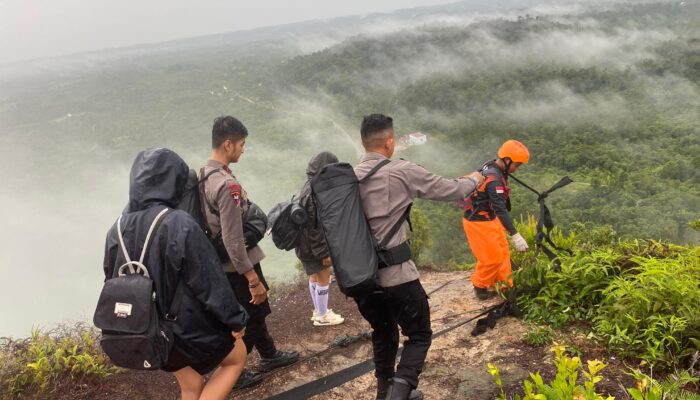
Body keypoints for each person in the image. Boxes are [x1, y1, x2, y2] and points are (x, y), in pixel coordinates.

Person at [353, 114, 484, 400]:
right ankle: (397, 394)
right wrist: (475, 178)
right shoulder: (401, 170)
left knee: (383, 331)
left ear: (363, 143)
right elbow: (451, 190)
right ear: (389, 142)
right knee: (420, 334)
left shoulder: (349, 178)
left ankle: (384, 390)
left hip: (361, 279)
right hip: (397, 276)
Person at [103, 148, 249, 400]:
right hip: (185, 327)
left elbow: (110, 279)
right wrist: (235, 320)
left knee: (190, 385)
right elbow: (208, 281)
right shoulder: (178, 222)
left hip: (147, 327)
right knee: (236, 358)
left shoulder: (116, 228)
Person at [200, 116, 299, 389]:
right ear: (228, 144)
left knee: (255, 313)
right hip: (237, 266)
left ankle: (269, 354)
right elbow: (234, 240)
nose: (244, 150)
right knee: (249, 318)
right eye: (242, 144)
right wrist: (252, 278)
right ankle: (233, 369)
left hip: (219, 264)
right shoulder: (226, 185)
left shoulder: (202, 176)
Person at [462, 139, 530, 300]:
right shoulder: (494, 180)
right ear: (507, 160)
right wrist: (515, 235)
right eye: (517, 165)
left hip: (489, 218)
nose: (517, 169)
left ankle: (505, 284)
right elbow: (501, 209)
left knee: (503, 252)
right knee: (492, 258)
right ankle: (479, 285)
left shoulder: (492, 166)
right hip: (478, 222)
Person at [295, 151, 345, 327]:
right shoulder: (318, 191)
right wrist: (325, 251)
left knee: (314, 277)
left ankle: (318, 311)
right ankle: (323, 316)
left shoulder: (307, 186)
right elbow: (317, 227)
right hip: (315, 246)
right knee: (324, 277)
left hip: (303, 244)